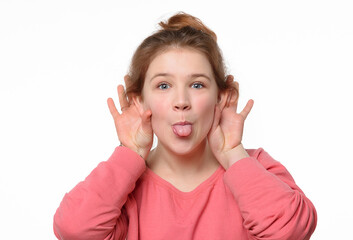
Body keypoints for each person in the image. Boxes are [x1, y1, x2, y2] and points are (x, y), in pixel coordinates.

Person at [53, 12, 317, 240]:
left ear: (223, 98)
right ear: (138, 101)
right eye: (163, 86)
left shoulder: (255, 166)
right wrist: (129, 153)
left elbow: (291, 232)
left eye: (197, 85)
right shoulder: (122, 191)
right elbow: (74, 229)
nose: (181, 102)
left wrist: (233, 154)